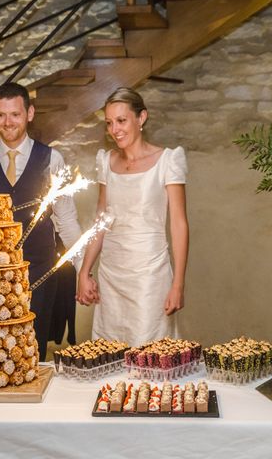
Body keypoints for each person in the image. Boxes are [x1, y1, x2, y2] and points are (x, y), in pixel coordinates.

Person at [0, 82, 82, 359]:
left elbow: (66, 218)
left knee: (33, 349)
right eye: (1, 115)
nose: (8, 122)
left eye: (15, 114)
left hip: (39, 271)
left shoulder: (52, 159)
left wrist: (84, 269)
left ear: (29, 113)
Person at [76, 87, 189, 347]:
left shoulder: (168, 160)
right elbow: (100, 221)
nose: (114, 129)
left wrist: (178, 284)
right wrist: (85, 271)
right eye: (109, 123)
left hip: (150, 273)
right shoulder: (106, 161)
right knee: (109, 354)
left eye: (121, 120)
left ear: (141, 118)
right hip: (111, 273)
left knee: (150, 353)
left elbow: (179, 224)